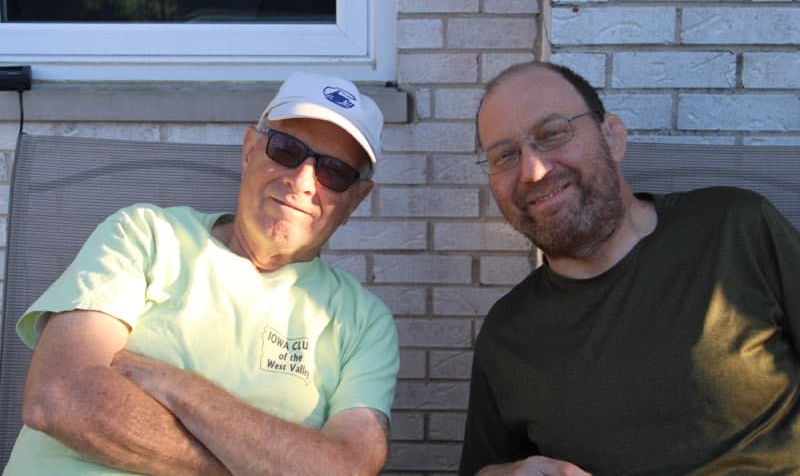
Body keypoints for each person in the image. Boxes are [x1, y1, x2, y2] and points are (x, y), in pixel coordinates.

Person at [4, 72, 399, 475]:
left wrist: (178, 386)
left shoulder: (362, 322)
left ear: (356, 199)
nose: (301, 181)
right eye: (286, 150)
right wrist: (262, 463)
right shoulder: (145, 236)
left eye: (334, 172)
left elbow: (347, 467)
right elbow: (60, 396)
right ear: (249, 149)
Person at [459, 61, 800, 475]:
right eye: (505, 156)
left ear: (612, 137)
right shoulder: (507, 334)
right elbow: (484, 469)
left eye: (552, 134)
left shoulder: (735, 228)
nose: (533, 171)